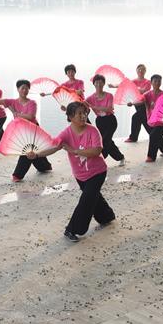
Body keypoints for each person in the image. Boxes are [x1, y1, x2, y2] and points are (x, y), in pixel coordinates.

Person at [27, 101, 115, 242]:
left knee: (86, 200)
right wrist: (36, 155)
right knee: (93, 198)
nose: (83, 116)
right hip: (80, 175)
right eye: (79, 113)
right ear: (70, 116)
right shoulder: (66, 133)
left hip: (97, 172)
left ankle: (72, 229)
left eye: (84, 113)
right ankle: (107, 216)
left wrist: (74, 150)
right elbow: (54, 146)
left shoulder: (93, 130)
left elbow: (97, 150)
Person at [0, 79, 52, 182]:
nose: (25, 90)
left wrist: (16, 114)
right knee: (33, 151)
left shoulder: (32, 103)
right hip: (21, 131)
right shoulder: (12, 102)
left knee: (27, 152)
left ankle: (17, 175)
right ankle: (45, 166)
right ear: (18, 89)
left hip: (33, 129)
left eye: (27, 88)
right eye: (23, 88)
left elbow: (30, 116)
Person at [86, 74, 125, 163]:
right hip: (100, 121)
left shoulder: (109, 95)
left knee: (105, 141)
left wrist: (93, 107)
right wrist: (65, 107)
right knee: (108, 141)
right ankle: (120, 157)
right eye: (96, 82)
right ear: (94, 84)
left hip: (110, 120)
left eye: (101, 82)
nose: (99, 84)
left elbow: (109, 109)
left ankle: (99, 160)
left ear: (104, 84)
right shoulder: (90, 98)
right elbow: (81, 104)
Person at [144, 74, 163, 162]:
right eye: (155, 81)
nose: (157, 83)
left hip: (162, 120)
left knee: (153, 135)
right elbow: (139, 101)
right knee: (158, 137)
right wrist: (132, 103)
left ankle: (151, 156)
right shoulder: (147, 94)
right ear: (151, 82)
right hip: (151, 120)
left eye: (159, 81)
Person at [124, 64, 151, 142]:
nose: (141, 71)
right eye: (139, 69)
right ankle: (154, 135)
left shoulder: (148, 82)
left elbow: (144, 92)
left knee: (136, 118)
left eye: (143, 70)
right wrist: (114, 85)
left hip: (145, 103)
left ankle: (133, 137)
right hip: (136, 104)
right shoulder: (133, 81)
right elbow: (126, 87)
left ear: (145, 71)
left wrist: (135, 89)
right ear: (136, 71)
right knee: (142, 120)